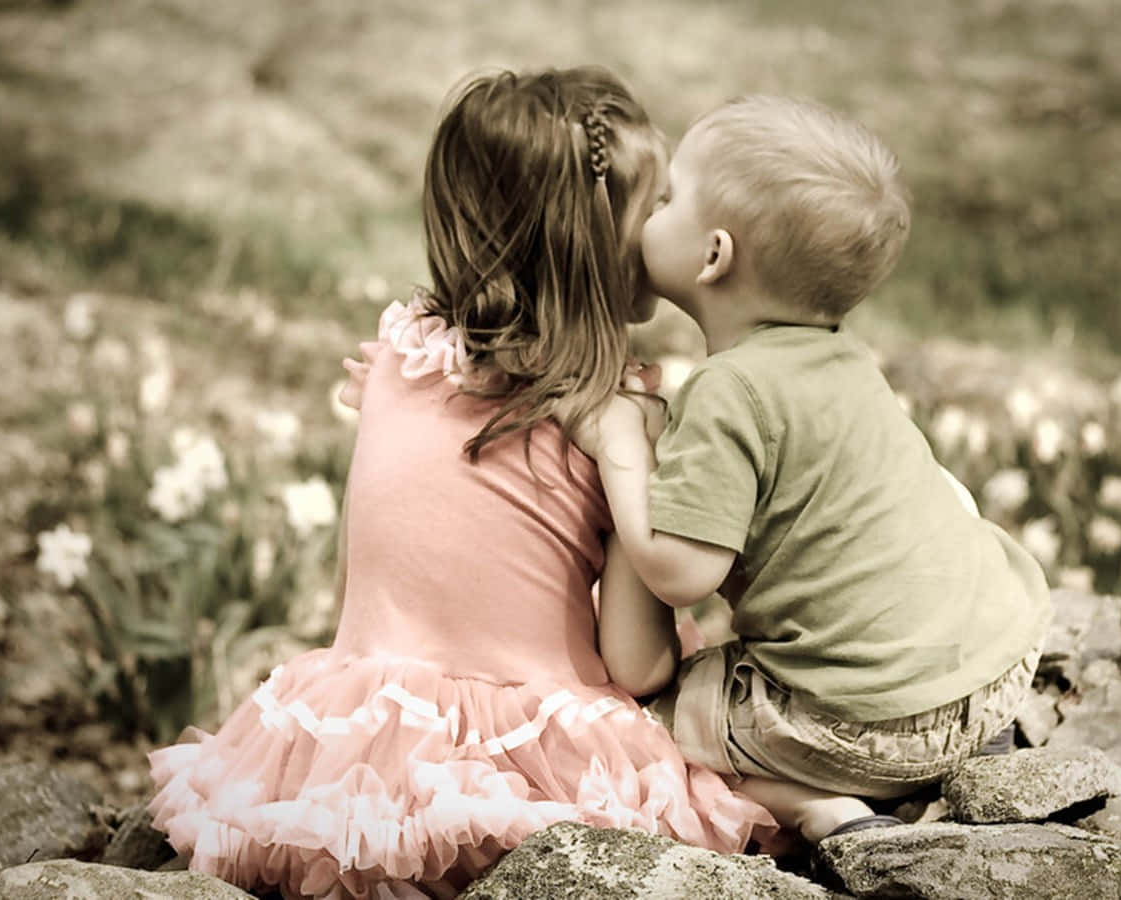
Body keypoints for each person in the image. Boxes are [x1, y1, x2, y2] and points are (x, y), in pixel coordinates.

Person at [147, 67, 774, 900]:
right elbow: (636, 661)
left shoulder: (398, 362)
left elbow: (357, 584)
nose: (668, 226)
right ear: (600, 245)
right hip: (534, 758)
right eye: (655, 205)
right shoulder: (617, 414)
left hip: (350, 754)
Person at [576, 94, 1053, 845]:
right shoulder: (843, 359)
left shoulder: (728, 391)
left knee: (639, 726)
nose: (649, 212)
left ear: (714, 256)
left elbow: (681, 573)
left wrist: (622, 450)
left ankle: (805, 799)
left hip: (868, 722)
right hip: (991, 674)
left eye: (667, 199)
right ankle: (927, 768)